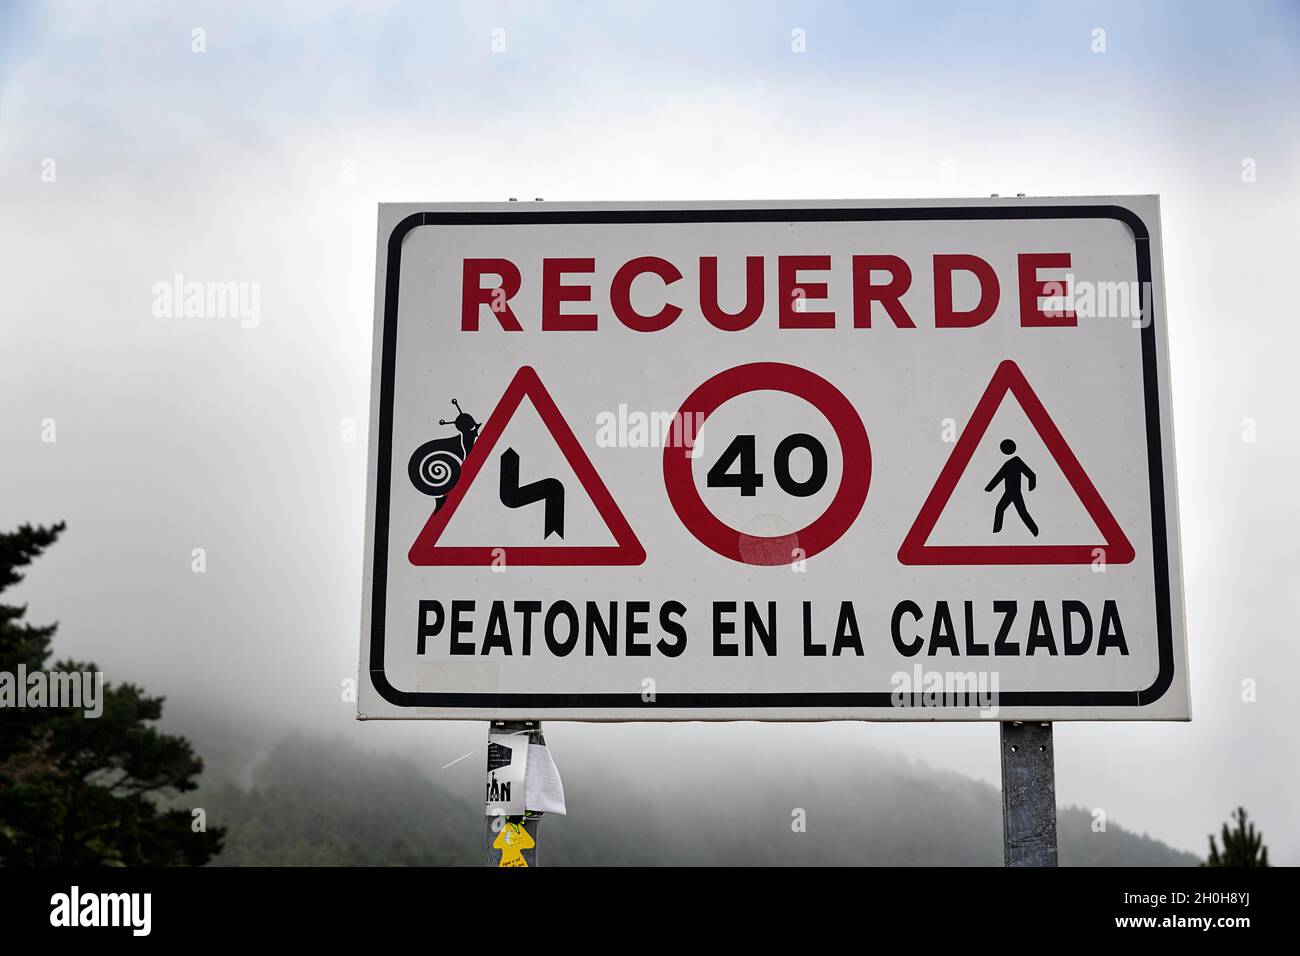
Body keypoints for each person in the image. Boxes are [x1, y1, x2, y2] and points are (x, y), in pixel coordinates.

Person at [985, 439, 1039, 536]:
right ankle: (1035, 531)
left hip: (1014, 492)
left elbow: (1031, 475)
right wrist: (989, 488)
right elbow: (999, 477)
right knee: (1004, 509)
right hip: (1010, 492)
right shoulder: (1009, 464)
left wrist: (1031, 487)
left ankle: (1035, 531)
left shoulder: (1016, 461)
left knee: (1010, 510)